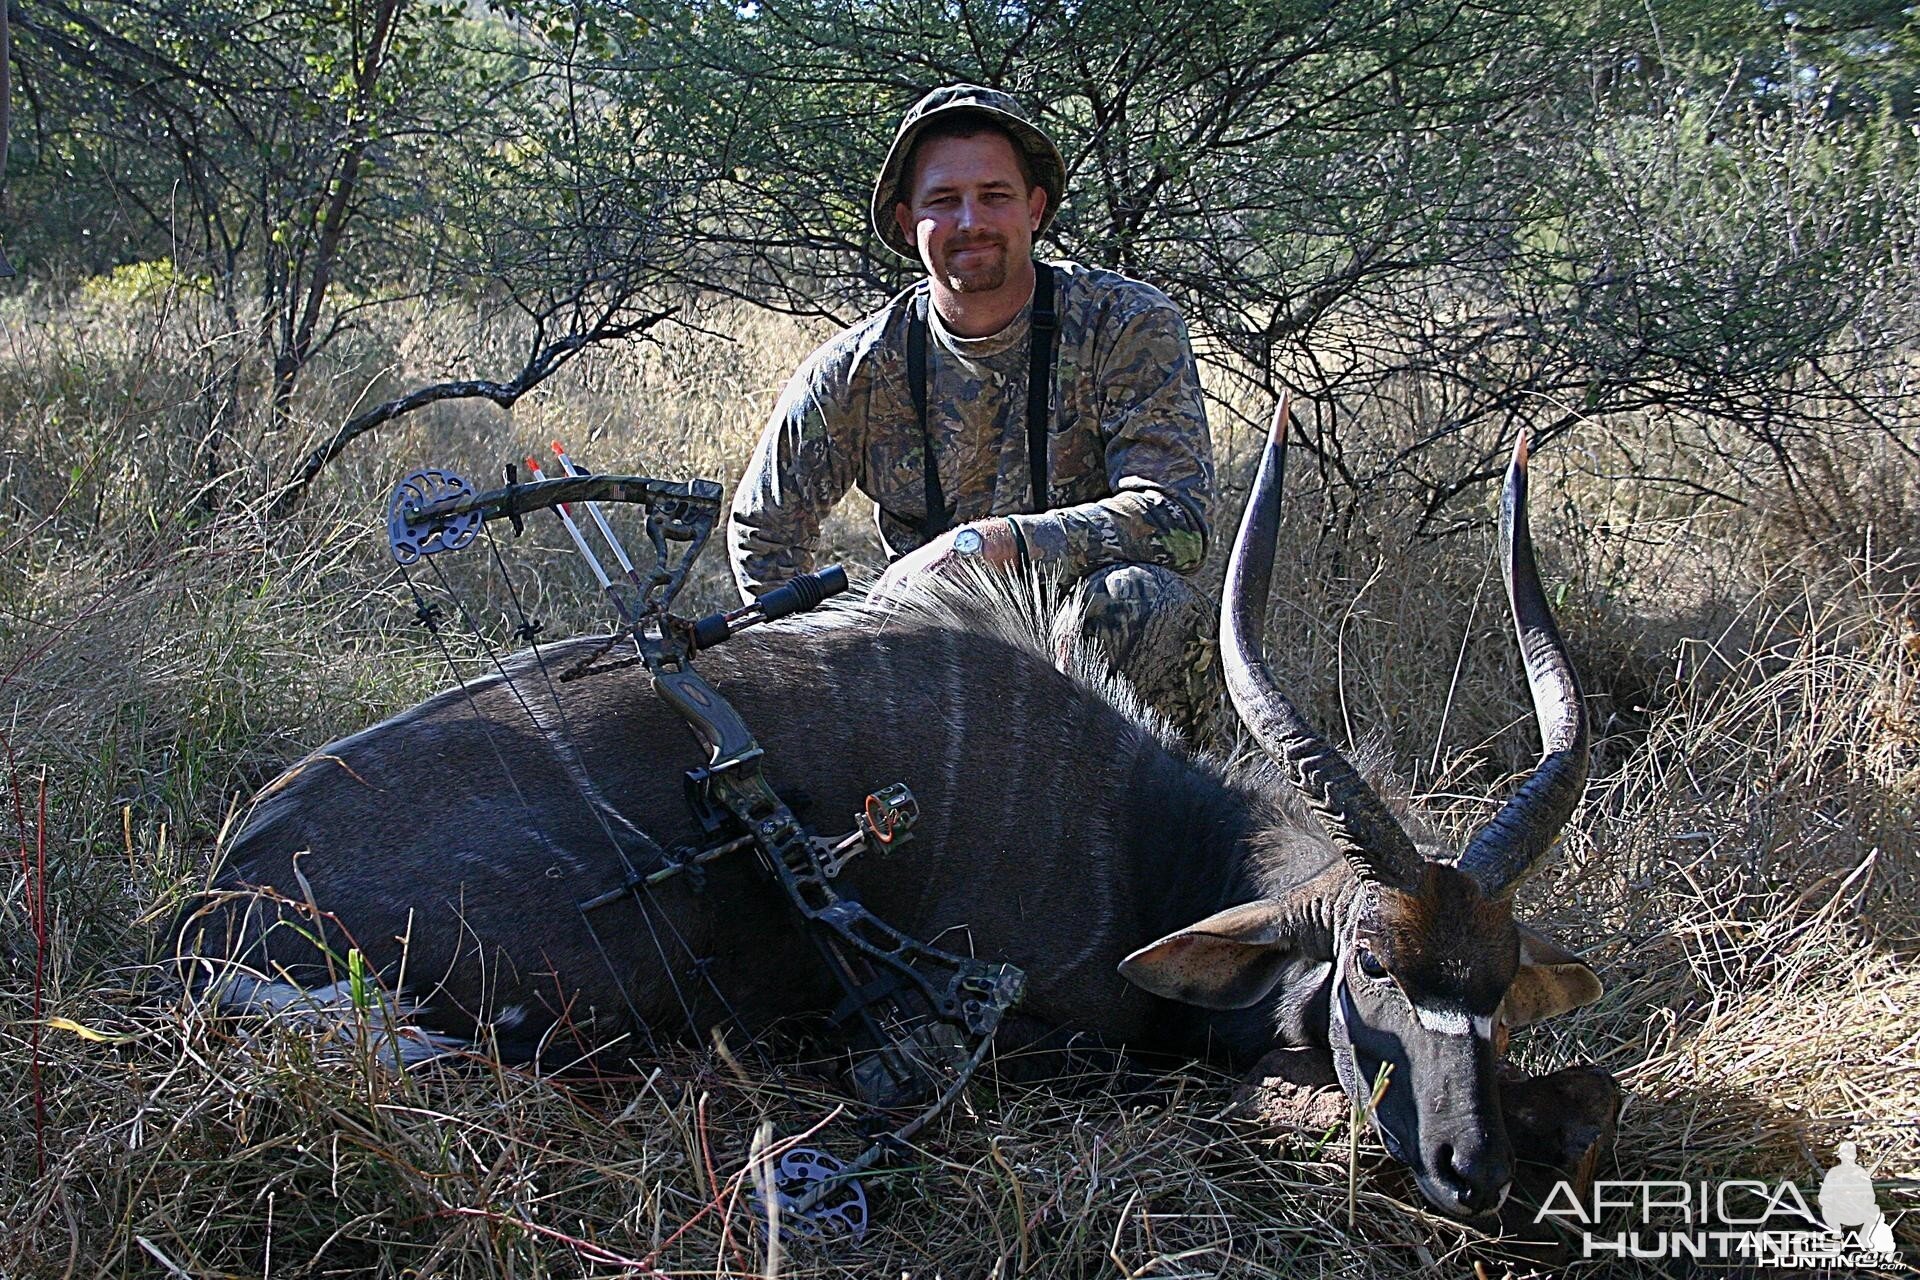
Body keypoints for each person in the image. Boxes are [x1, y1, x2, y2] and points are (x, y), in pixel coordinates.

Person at [727, 84, 1218, 738]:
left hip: (1086, 642)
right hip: (935, 659)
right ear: (907, 224)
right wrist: (833, 664)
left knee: (1144, 603)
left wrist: (989, 546)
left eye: (994, 196)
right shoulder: (855, 368)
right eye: (942, 201)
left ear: (1035, 208)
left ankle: (1157, 828)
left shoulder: (1126, 323)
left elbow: (1177, 518)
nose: (970, 222)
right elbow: (763, 530)